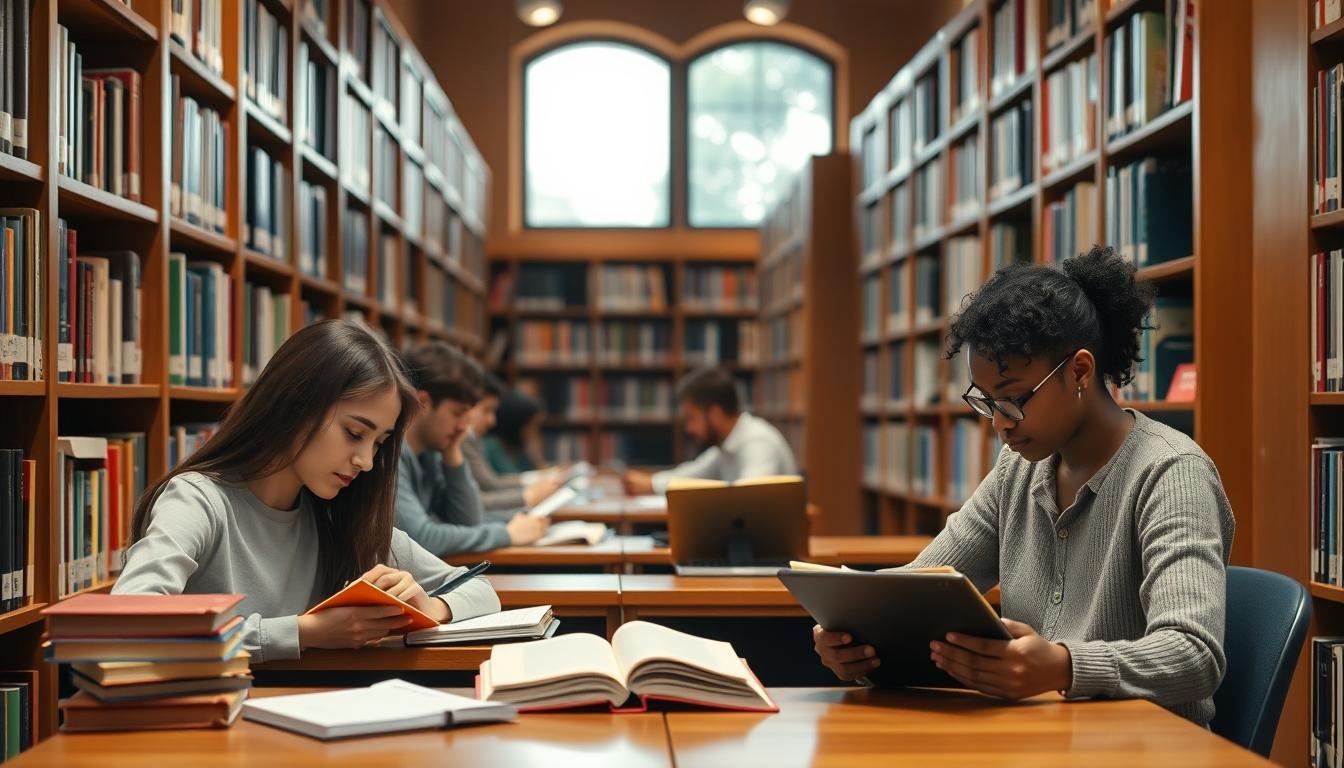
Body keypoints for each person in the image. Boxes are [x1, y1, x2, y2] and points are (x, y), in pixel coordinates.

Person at [811, 246, 1234, 727]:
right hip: (1043, 740)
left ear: (1079, 371)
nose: (1000, 425)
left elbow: (1194, 653)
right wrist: (855, 629)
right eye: (987, 403)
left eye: (1013, 400)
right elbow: (923, 585)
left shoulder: (1171, 473)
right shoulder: (1018, 471)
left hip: (1145, 748)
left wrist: (1065, 666)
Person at [114, 320, 501, 664]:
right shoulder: (199, 500)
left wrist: (430, 606)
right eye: (354, 433)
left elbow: (481, 590)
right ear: (297, 406)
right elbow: (125, 622)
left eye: (379, 443)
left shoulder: (342, 517)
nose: (366, 461)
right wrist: (301, 632)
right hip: (198, 732)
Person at [397, 343, 549, 555]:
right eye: (457, 413)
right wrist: (506, 534)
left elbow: (467, 521)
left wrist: (453, 456)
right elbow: (422, 538)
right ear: (423, 403)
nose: (463, 427)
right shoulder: (391, 455)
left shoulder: (430, 452)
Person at [622, 366, 797, 495]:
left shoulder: (757, 442)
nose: (689, 429)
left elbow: (748, 499)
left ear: (714, 413)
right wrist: (650, 484)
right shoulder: (726, 445)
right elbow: (693, 474)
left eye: (692, 418)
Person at [464, 373, 564, 521]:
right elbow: (491, 484)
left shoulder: (475, 440)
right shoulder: (484, 443)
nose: (492, 420)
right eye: (486, 410)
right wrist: (528, 495)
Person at [484, 390, 547, 475]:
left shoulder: (518, 449)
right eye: (532, 426)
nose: (535, 433)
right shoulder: (491, 446)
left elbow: (537, 469)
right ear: (516, 423)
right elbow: (512, 476)